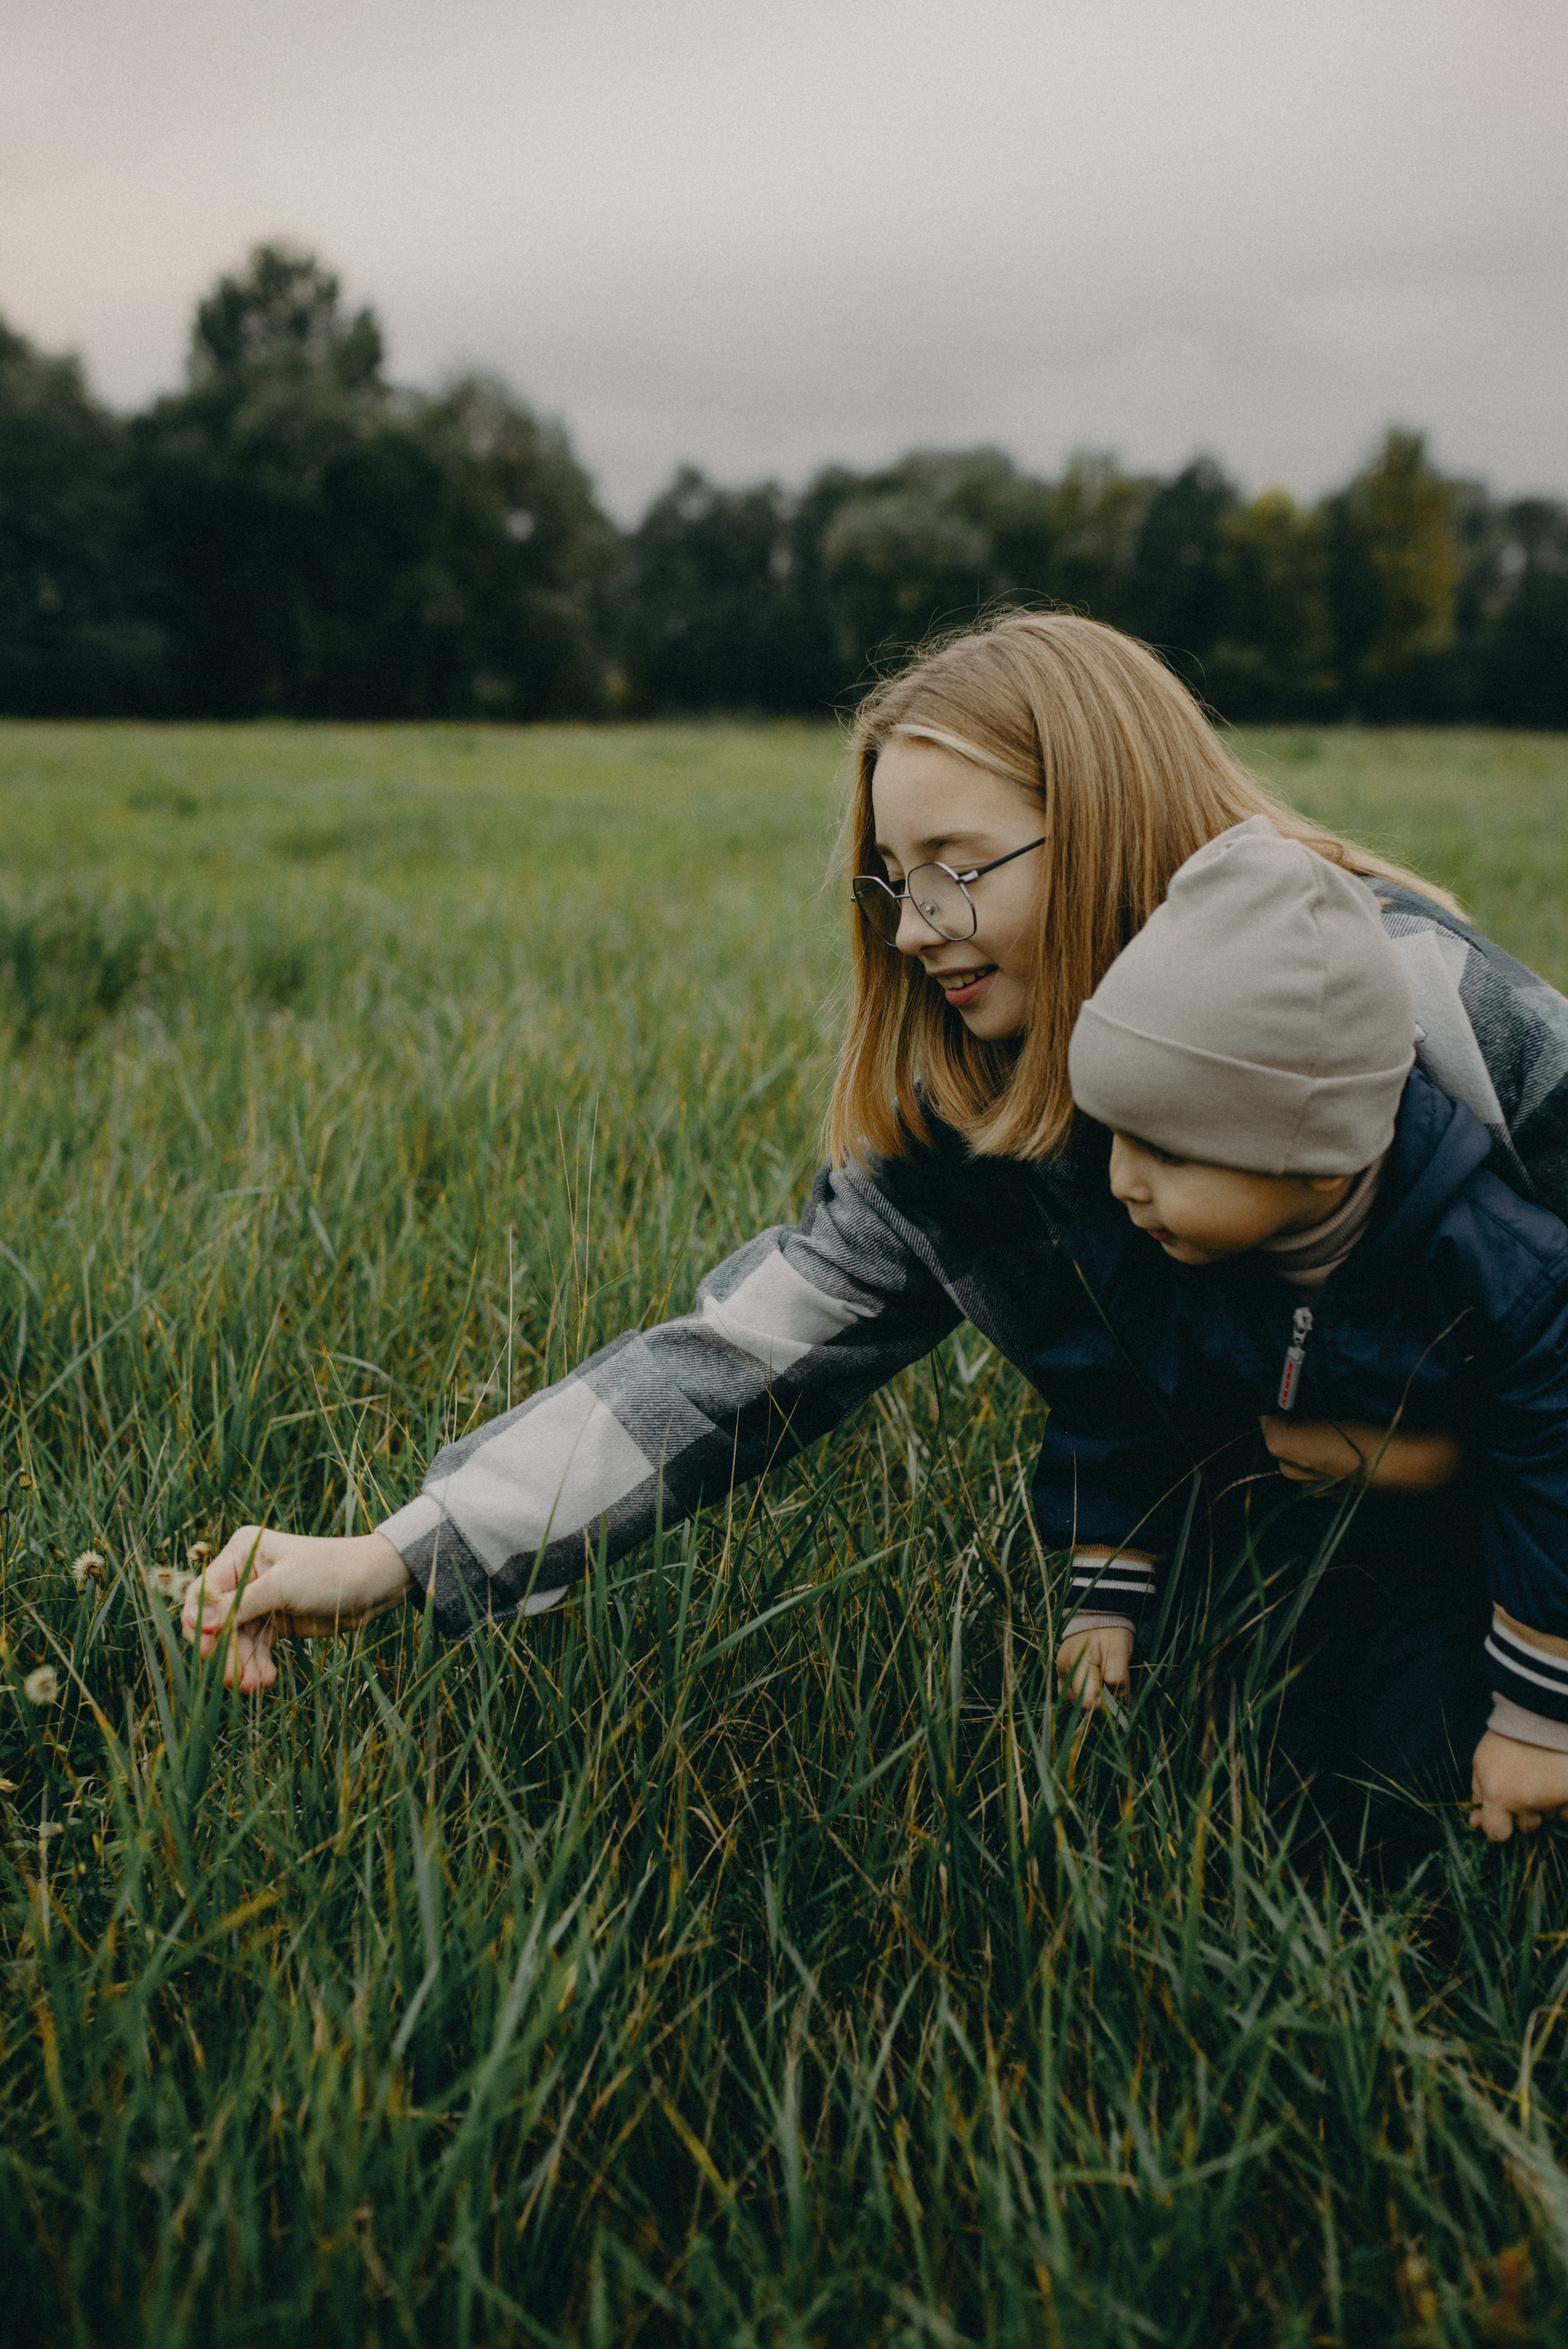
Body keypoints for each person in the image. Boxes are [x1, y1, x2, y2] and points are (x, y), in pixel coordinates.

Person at [184, 612, 1568, 1841]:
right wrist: (399, 1552)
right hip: (1267, 1551)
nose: (913, 930)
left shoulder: (1408, 999)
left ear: (1106, 828)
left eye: (956, 869)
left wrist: (1426, 1465)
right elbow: (729, 1365)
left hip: (1532, 1534)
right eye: (892, 881)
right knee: (1275, 1804)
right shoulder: (964, 1116)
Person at [1040, 815, 1568, 1858]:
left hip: (1462, 1565)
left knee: (1413, 1781)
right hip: (1283, 1542)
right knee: (1254, 1761)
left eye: (1169, 1150)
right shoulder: (1166, 1239)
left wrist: (1540, 1716)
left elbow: (1555, 1470)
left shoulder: (1492, 1264)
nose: (1123, 1181)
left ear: (1323, 1157)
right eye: (1117, 1137)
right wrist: (1106, 1578)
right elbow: (1113, 1387)